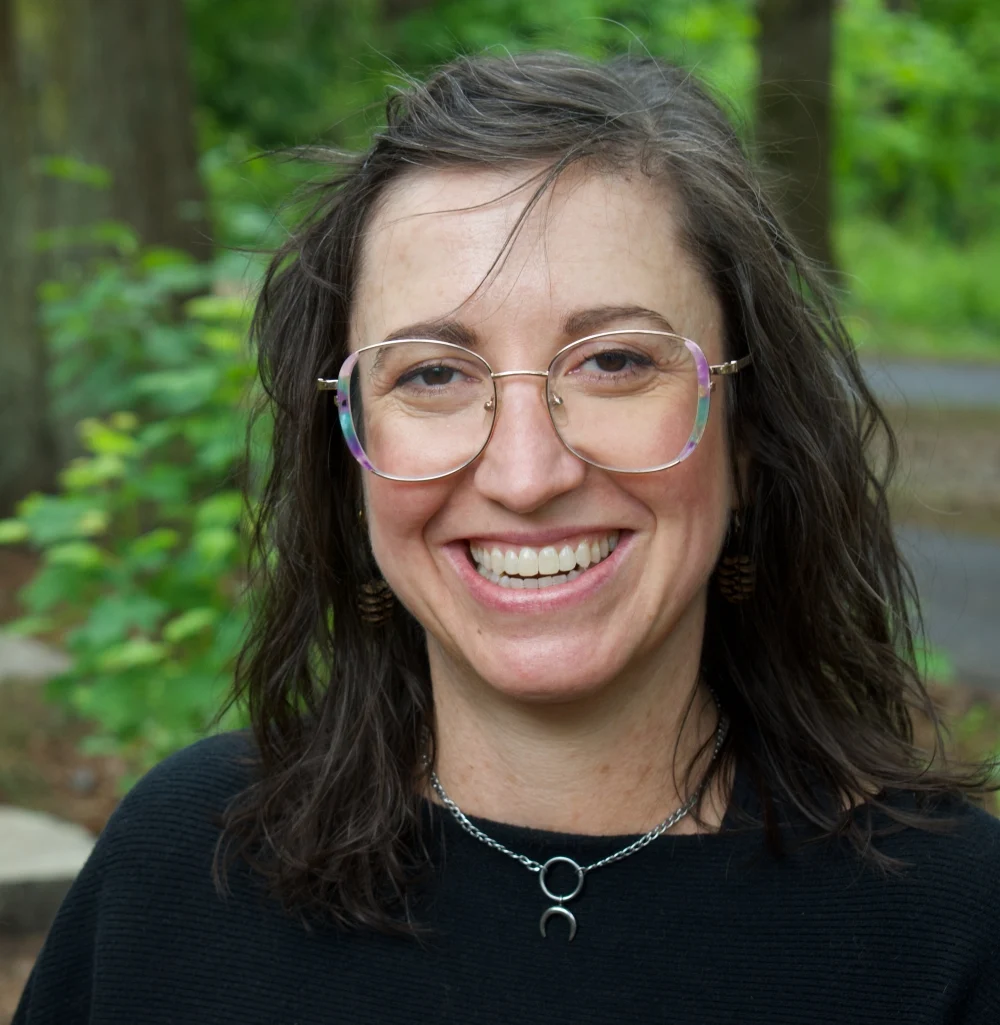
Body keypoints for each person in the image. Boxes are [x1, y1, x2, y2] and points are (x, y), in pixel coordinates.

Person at [14, 51, 1000, 1025]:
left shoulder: (956, 928)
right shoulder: (185, 868)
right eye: (432, 374)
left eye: (614, 360)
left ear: (747, 430)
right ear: (349, 454)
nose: (526, 475)